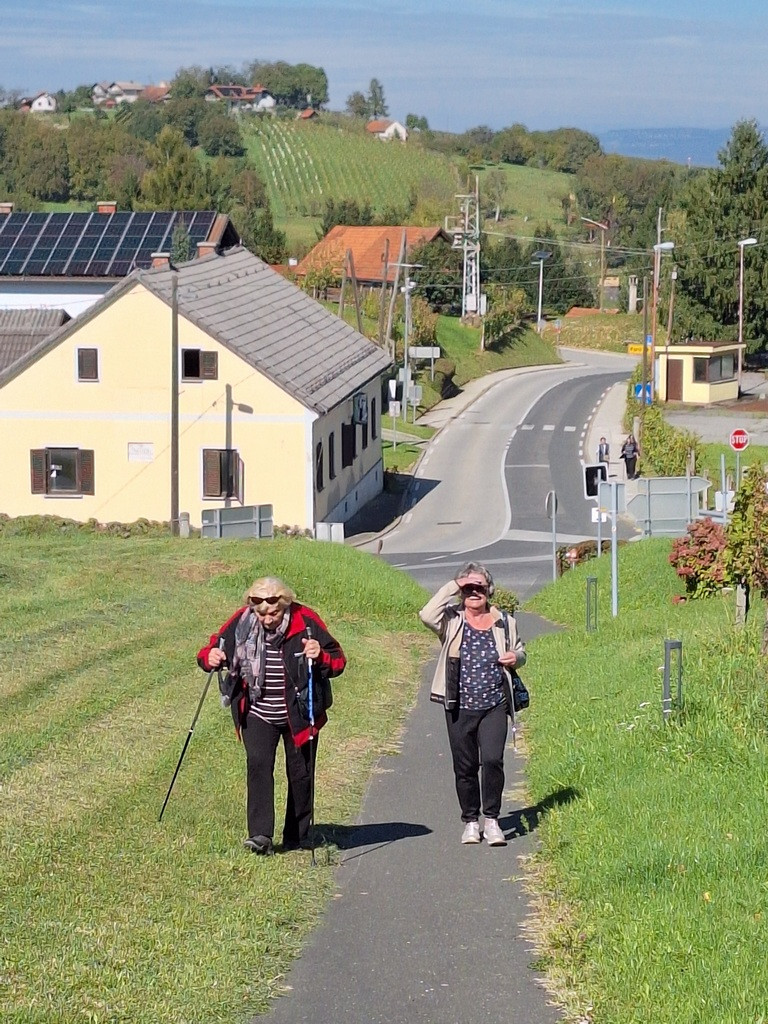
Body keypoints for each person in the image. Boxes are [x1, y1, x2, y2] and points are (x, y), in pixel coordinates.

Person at [197, 576, 346, 855]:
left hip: (300, 712)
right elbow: (210, 651)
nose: (268, 619)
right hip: (257, 710)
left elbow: (338, 660)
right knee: (258, 765)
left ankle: (298, 835)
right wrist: (211, 658)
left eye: (274, 613)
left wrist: (321, 657)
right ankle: (260, 835)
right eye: (262, 613)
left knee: (300, 774)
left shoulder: (306, 621)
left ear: (285, 604)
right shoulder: (241, 622)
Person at [419, 562, 526, 847]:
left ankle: (491, 820)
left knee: (492, 761)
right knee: (464, 766)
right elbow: (426, 614)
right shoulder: (452, 619)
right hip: (459, 705)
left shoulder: (504, 621)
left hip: (495, 704)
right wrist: (455, 585)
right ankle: (470, 821)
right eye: (468, 588)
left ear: (489, 590)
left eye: (479, 587)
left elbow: (521, 650)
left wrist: (516, 657)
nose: (474, 592)